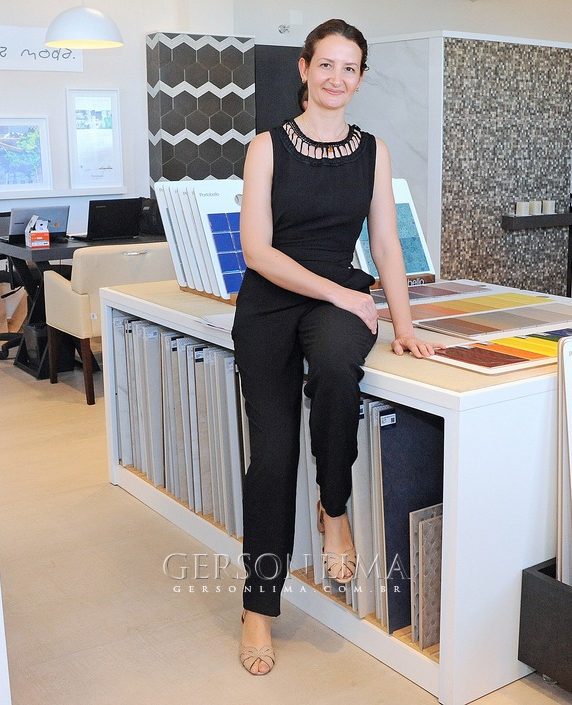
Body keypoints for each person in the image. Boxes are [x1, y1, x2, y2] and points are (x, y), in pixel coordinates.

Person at [231, 18, 442, 676]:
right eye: (326, 64)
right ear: (304, 68)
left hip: (339, 303)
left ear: (360, 78)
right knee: (271, 457)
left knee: (333, 368)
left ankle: (334, 505)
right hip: (273, 299)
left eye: (349, 68)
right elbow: (257, 251)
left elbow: (386, 244)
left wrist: (403, 324)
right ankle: (258, 608)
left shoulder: (372, 151)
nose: (336, 78)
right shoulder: (266, 148)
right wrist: (342, 293)